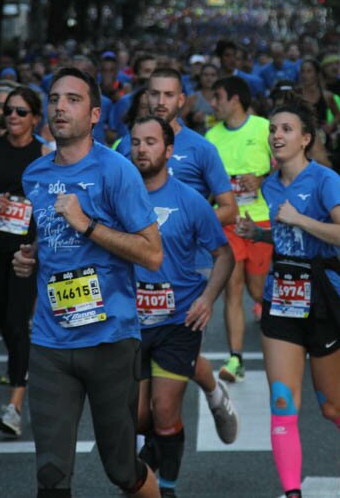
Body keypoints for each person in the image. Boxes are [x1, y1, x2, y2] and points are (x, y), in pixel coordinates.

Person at [12, 67, 162, 498]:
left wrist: (87, 224)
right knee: (52, 476)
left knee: (121, 469)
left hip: (110, 339)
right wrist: (32, 256)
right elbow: (47, 237)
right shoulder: (35, 175)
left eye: (73, 99)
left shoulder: (117, 171)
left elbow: (152, 254)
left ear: (95, 114)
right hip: (50, 342)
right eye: (55, 98)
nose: (60, 106)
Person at [234, 101, 340, 498]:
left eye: (286, 130)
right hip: (282, 294)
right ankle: (292, 493)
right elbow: (284, 236)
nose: (276, 136)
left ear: (306, 139)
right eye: (273, 129)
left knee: (331, 405)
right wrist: (258, 234)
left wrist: (298, 219)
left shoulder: (324, 179)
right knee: (282, 401)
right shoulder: (270, 182)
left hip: (326, 293)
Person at [129, 116, 234, 497]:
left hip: (179, 319)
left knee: (165, 410)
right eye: (136, 142)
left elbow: (224, 255)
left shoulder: (190, 201)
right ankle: (154, 455)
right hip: (132, 323)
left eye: (151, 142)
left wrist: (207, 299)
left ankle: (167, 487)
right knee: (139, 416)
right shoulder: (118, 196)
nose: (142, 149)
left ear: (169, 151)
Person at [143, 68, 240, 444]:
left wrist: (182, 222)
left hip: (190, 266)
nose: (160, 102)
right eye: (154, 94)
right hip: (140, 268)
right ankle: (210, 388)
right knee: (154, 363)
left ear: (181, 100)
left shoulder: (201, 149)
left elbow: (229, 209)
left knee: (169, 362)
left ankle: (213, 398)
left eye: (168, 95)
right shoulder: (130, 146)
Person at [0, 86, 50, 438]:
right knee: (3, 316)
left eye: (21, 111)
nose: (13, 117)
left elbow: (55, 198)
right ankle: (22, 366)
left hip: (28, 249)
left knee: (19, 319)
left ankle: (15, 404)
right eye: (9, 111)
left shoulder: (45, 153)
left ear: (35, 118)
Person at [206, 76, 273, 383]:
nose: (213, 103)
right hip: (228, 223)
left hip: (260, 220)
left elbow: (287, 163)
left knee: (257, 291)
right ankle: (235, 359)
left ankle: (293, 331)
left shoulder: (263, 127)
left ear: (235, 99)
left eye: (218, 97)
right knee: (231, 290)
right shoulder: (212, 136)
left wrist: (261, 180)